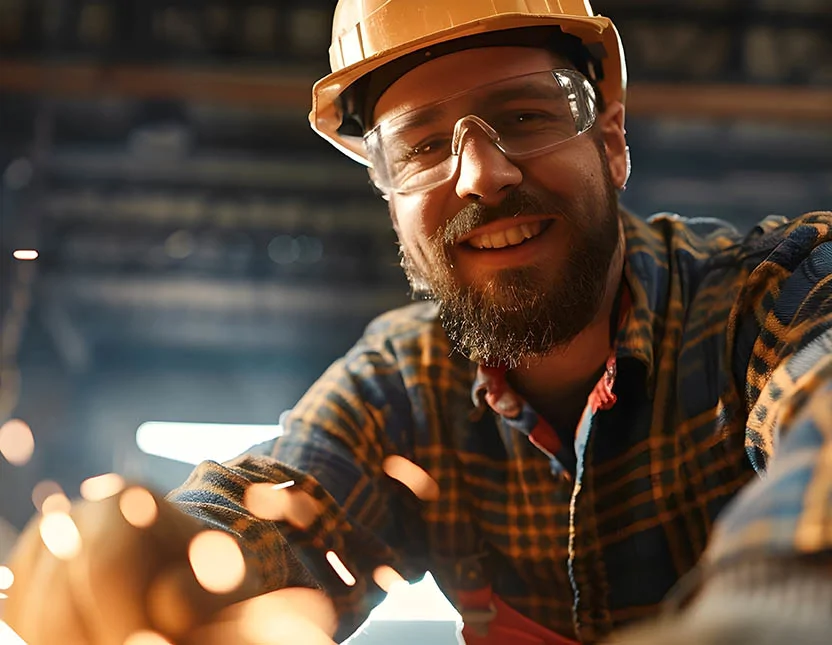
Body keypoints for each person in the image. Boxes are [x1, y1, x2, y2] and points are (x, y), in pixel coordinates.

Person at [5, 1, 832, 644]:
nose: (482, 173)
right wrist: (156, 563)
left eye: (524, 116)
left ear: (611, 139)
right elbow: (281, 507)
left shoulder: (777, 298)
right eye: (423, 147)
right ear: (392, 198)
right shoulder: (403, 388)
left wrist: (769, 607)